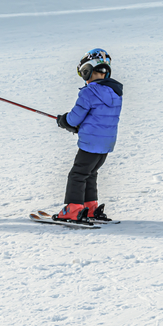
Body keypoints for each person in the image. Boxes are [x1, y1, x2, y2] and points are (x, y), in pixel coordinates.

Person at [54, 49, 123, 222]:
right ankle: (90, 207)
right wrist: (81, 126)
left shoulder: (88, 93)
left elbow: (74, 118)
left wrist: (64, 121)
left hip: (90, 143)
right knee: (90, 173)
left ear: (87, 71)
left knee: (77, 174)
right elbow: (98, 119)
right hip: (106, 144)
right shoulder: (115, 93)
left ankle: (73, 208)